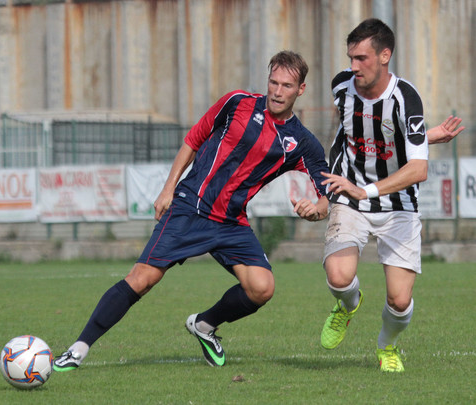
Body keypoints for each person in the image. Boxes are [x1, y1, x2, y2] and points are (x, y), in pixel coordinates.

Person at [53, 50, 330, 371]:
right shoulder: (237, 102)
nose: (277, 91)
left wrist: (315, 211)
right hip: (191, 207)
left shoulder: (302, 141)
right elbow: (194, 139)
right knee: (142, 279)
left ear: (301, 89)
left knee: (262, 287)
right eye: (273, 82)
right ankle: (78, 349)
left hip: (231, 222)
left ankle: (204, 325)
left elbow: (326, 196)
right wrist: (168, 188)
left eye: (286, 85)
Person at [314, 18, 464, 373]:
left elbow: (418, 170)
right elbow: (354, 136)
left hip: (397, 204)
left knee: (399, 299)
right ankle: (347, 305)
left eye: (362, 58)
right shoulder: (341, 87)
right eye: (351, 57)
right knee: (338, 276)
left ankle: (388, 346)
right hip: (351, 196)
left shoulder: (405, 97)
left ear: (385, 56)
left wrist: (421, 139)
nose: (353, 66)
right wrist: (337, 190)